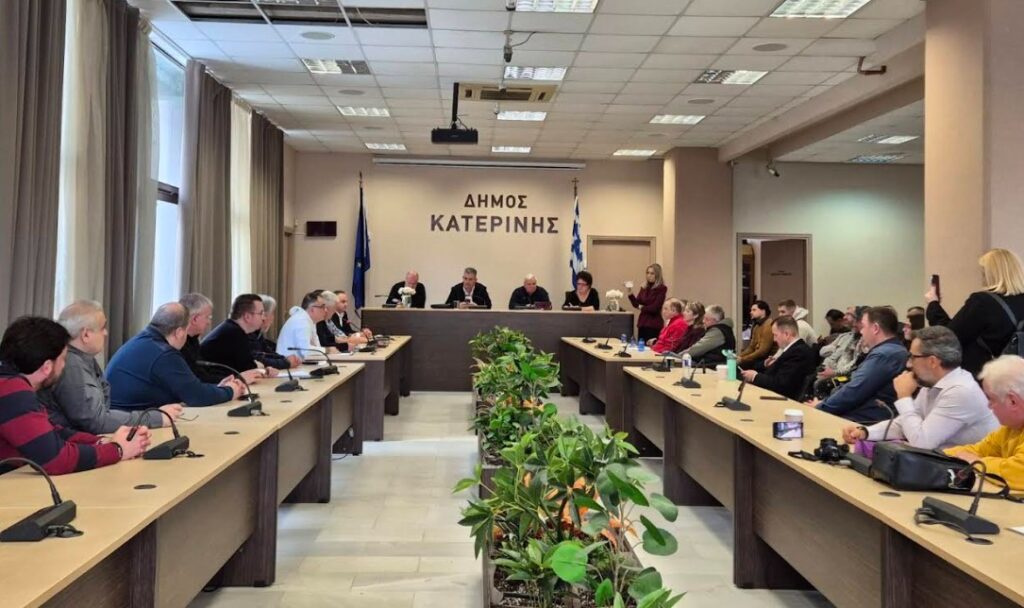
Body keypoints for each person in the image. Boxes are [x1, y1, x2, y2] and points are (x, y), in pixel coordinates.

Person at [0, 317, 152, 475]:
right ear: (47, 367)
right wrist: (118, 450)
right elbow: (56, 460)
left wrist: (104, 442)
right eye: (63, 359)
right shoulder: (12, 391)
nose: (64, 365)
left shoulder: (10, 385)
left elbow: (53, 434)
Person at [39, 300, 183, 435]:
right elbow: (96, 422)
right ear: (86, 335)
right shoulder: (71, 365)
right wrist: (156, 418)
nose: (106, 333)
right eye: (102, 328)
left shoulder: (82, 358)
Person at [841, 326, 998, 450]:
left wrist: (904, 396)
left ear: (932, 362)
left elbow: (922, 442)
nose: (908, 364)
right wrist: (866, 432)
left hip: (972, 472)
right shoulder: (932, 382)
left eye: (913, 357)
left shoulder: (961, 391)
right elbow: (905, 424)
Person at [107, 303, 244, 411]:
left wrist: (218, 388)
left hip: (126, 415)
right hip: (131, 423)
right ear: (179, 332)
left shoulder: (144, 341)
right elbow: (197, 397)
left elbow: (187, 388)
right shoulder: (163, 353)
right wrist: (231, 391)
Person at [927, 248, 1024, 376]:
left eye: (984, 273)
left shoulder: (983, 302)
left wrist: (933, 304)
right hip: (1018, 378)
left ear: (992, 274)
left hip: (986, 377)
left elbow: (949, 338)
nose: (983, 278)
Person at [810, 306, 909, 423]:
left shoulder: (885, 354)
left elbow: (854, 391)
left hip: (864, 419)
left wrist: (820, 408)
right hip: (864, 416)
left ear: (875, 328)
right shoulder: (891, 351)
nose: (861, 332)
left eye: (864, 327)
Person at [944, 355, 1024, 490]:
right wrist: (937, 457)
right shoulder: (1011, 428)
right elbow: (978, 450)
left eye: (991, 399)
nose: (989, 405)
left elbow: (1019, 472)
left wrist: (975, 462)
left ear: (1012, 401)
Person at [200, 294, 279, 379]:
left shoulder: (233, 329)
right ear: (247, 317)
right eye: (261, 313)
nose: (263, 318)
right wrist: (265, 371)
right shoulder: (234, 333)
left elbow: (248, 366)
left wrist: (262, 369)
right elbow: (249, 369)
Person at [742, 315, 817, 401]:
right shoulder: (794, 350)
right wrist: (764, 366)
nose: (774, 339)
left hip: (781, 400)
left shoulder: (798, 353)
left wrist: (755, 376)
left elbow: (781, 384)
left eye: (775, 335)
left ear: (786, 334)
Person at [178, 293, 223, 384]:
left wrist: (234, 377)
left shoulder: (193, 338)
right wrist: (236, 378)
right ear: (195, 319)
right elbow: (197, 378)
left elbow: (204, 371)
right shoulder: (178, 343)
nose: (209, 322)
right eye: (208, 317)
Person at [249, 294, 301, 370]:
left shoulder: (257, 334)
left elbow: (268, 353)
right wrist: (287, 362)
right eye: (272, 313)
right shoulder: (247, 333)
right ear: (264, 315)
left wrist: (285, 358)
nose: (273, 318)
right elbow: (258, 360)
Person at [277, 291, 331, 358]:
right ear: (312, 309)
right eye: (322, 307)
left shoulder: (308, 320)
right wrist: (327, 350)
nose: (326, 310)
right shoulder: (301, 321)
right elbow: (305, 350)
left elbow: (316, 346)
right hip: (288, 363)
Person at [627, 264, 667, 343]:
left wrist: (641, 307)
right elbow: (636, 304)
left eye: (652, 273)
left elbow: (655, 308)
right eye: (647, 273)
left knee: (650, 348)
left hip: (653, 324)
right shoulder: (644, 287)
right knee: (641, 347)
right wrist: (630, 292)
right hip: (643, 323)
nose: (649, 275)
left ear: (657, 275)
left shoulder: (661, 288)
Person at [738, 300, 775, 368]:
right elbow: (751, 347)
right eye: (751, 310)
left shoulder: (769, 325)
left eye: (754, 310)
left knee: (741, 365)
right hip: (758, 358)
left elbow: (763, 351)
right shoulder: (757, 326)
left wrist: (743, 359)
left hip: (766, 360)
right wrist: (739, 356)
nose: (751, 312)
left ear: (763, 311)